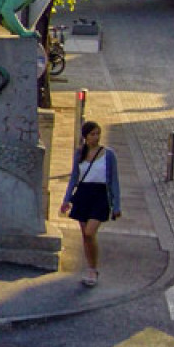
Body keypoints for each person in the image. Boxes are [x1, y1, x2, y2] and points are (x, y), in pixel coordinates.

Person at [60, 121, 120, 286]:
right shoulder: (80, 153)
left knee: (89, 232)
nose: (96, 137)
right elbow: (74, 178)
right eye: (92, 134)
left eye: (98, 133)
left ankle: (93, 268)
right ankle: (90, 268)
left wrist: (116, 206)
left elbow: (114, 181)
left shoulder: (108, 155)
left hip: (100, 196)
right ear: (85, 137)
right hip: (83, 194)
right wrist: (66, 199)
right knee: (85, 235)